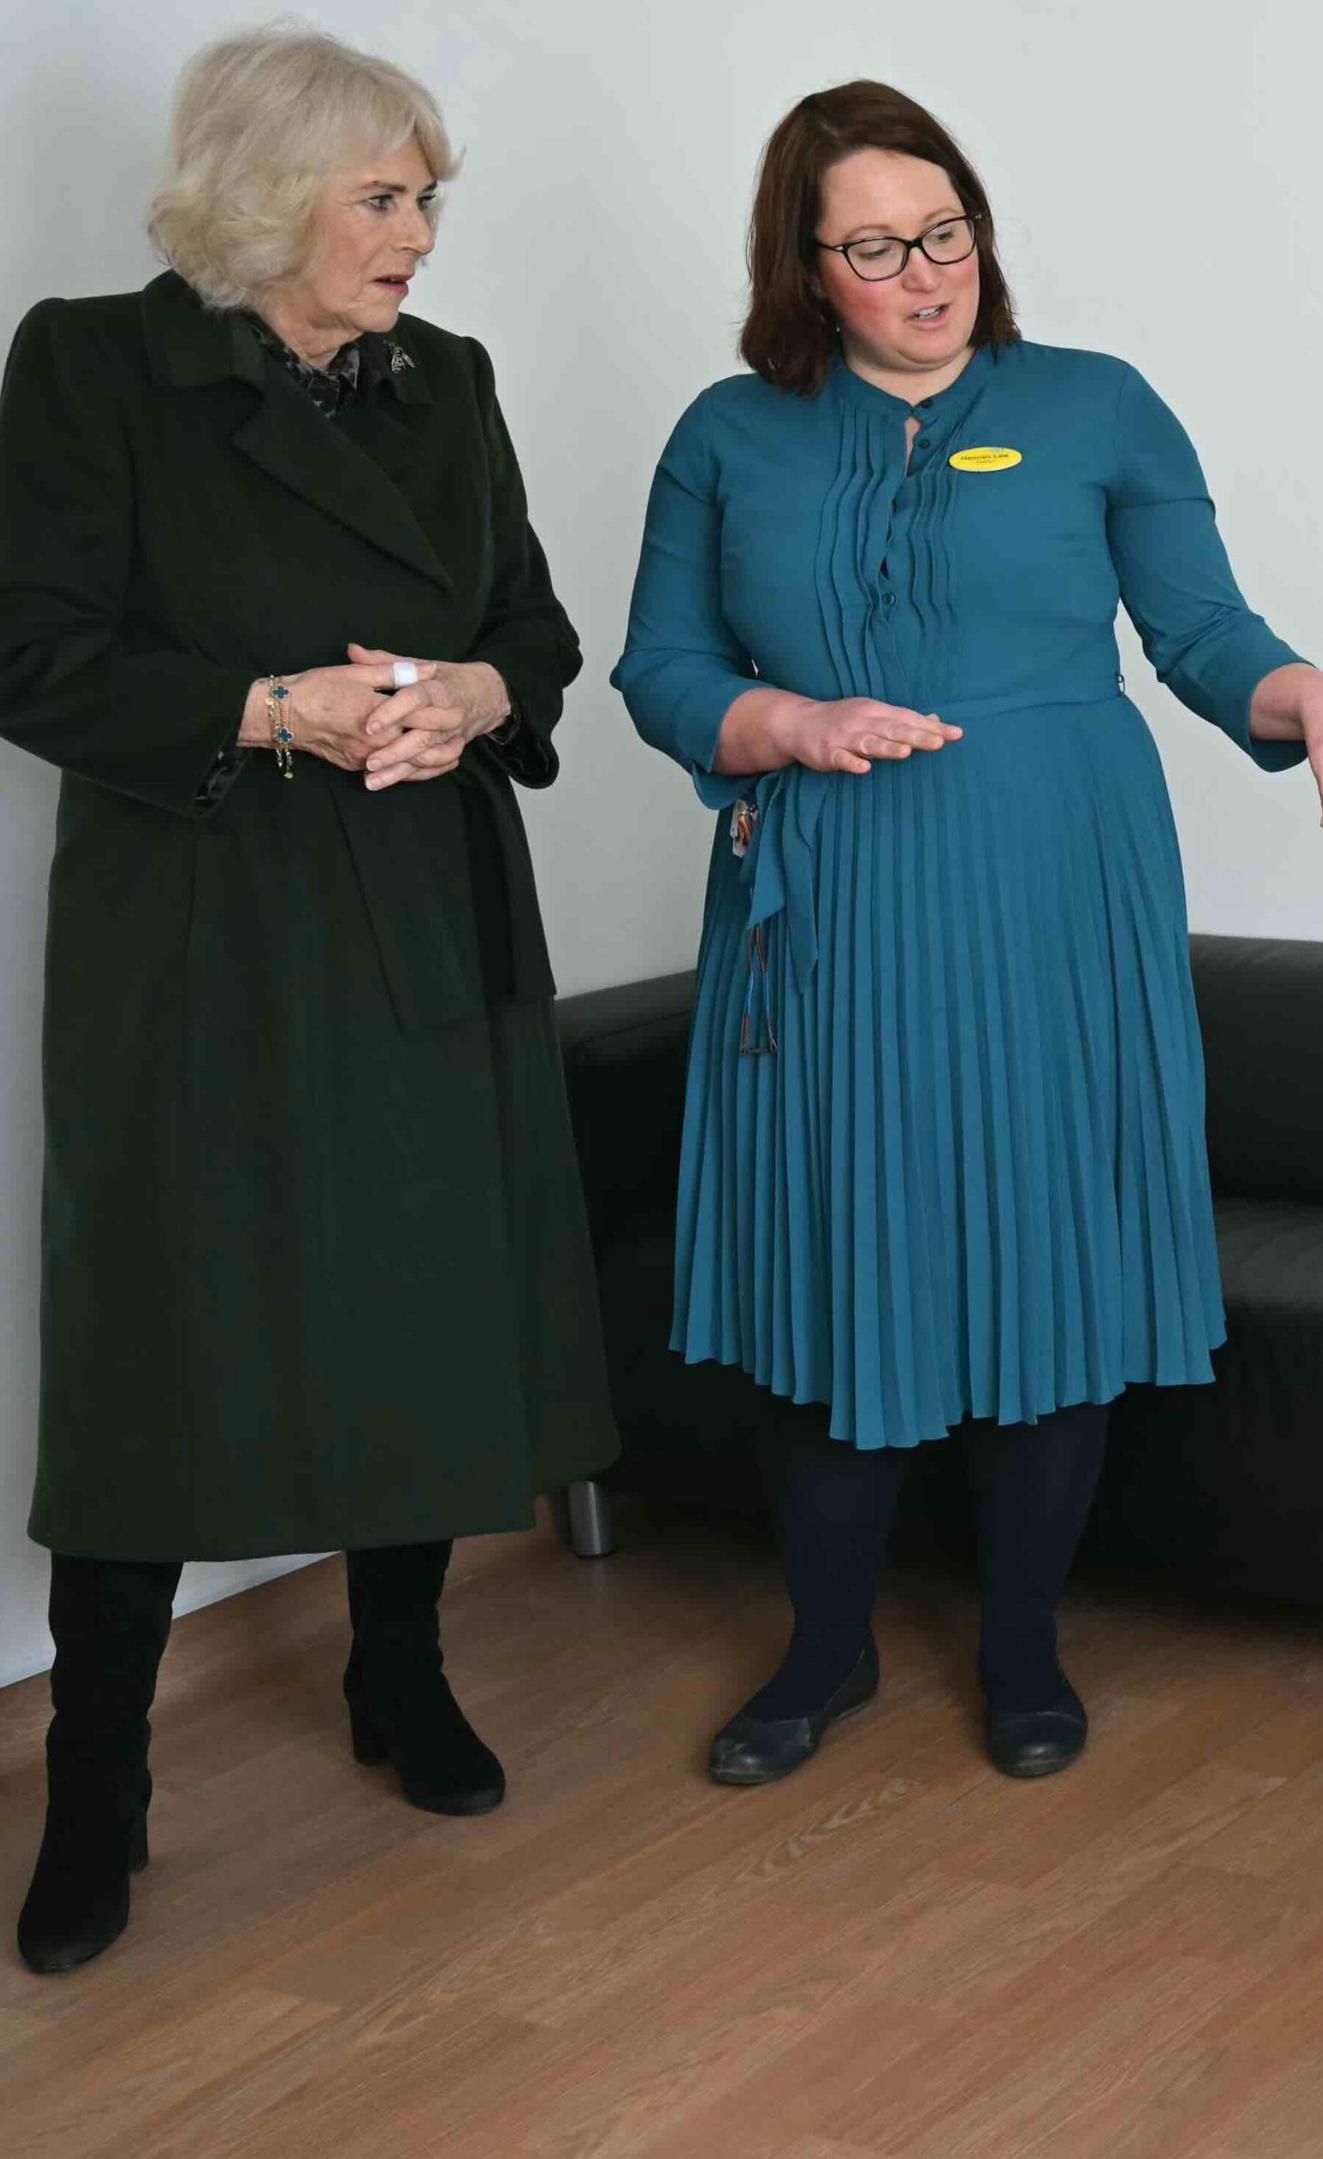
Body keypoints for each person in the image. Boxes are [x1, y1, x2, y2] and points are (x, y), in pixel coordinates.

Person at [616, 81, 1323, 1788]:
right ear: (806, 265)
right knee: (829, 1258)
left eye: (947, 234)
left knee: (1050, 1251)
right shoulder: (729, 433)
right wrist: (781, 726)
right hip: (830, 902)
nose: (926, 276)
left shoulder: (1098, 408)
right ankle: (824, 1653)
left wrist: (1309, 703)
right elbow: (660, 669)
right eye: (876, 248)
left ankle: (1020, 1653)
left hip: (1055, 892)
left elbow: (1206, 630)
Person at [0, 29, 616, 1975]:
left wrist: (476, 698)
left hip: (421, 902)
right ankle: (100, 1780)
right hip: (197, 930)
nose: (420, 235)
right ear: (271, 194)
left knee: (418, 1302)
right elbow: (30, 657)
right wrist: (275, 709)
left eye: (427, 197)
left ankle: (399, 1676)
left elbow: (532, 624)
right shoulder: (94, 363)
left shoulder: (451, 386)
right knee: (157, 1341)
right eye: (385, 196)